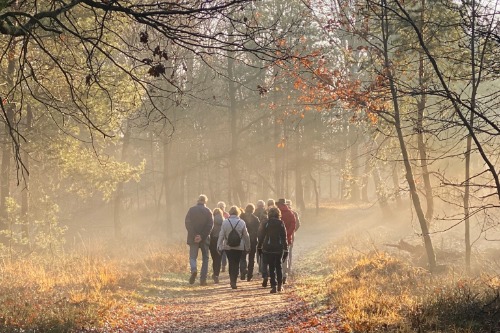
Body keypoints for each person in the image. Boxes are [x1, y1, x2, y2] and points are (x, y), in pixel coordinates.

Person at [217, 206, 251, 289]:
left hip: (228, 247)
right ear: (238, 213)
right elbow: (246, 236)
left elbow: (221, 235)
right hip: (239, 247)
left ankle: (232, 280)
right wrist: (248, 246)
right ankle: (234, 281)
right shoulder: (242, 222)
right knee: (236, 263)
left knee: (231, 263)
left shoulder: (225, 222)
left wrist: (219, 246)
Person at [257, 207, 288, 293]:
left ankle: (273, 285)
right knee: (279, 266)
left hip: (268, 248)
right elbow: (284, 237)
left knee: (271, 267)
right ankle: (280, 285)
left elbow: (261, 236)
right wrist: (286, 249)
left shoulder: (266, 223)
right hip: (279, 247)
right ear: (278, 214)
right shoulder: (281, 223)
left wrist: (259, 246)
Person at [185, 194, 214, 286]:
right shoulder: (208, 211)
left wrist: (195, 235)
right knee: (205, 258)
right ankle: (203, 279)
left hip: (193, 238)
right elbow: (210, 225)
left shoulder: (191, 210)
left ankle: (194, 270)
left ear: (198, 200)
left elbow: (187, 223)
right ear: (205, 201)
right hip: (204, 239)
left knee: (193, 257)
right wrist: (201, 236)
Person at [276, 198, 296, 286]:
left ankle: (277, 275)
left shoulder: (275, 212)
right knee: (285, 257)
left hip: (276, 239)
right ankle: (284, 274)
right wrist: (288, 234)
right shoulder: (290, 213)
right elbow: (293, 225)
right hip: (287, 239)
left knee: (276, 258)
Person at [239, 203, 260, 281]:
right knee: (251, 258)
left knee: (242, 257)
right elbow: (258, 231)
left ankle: (243, 272)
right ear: (253, 210)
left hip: (243, 240)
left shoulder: (241, 217)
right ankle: (250, 275)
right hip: (253, 240)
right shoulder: (256, 218)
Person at [255, 200, 269, 281]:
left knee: (259, 252)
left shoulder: (255, 213)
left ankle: (260, 267)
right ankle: (264, 268)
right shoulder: (266, 213)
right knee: (265, 253)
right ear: (263, 205)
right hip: (266, 235)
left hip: (258, 235)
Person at [285, 199, 300, 275]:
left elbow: (297, 224)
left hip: (285, 235)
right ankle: (288, 268)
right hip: (291, 234)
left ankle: (285, 267)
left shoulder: (280, 212)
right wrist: (293, 231)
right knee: (289, 251)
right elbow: (297, 225)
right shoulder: (294, 213)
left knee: (285, 251)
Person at [209, 208, 224, 283]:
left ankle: (214, 273)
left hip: (212, 241)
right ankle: (216, 275)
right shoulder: (223, 221)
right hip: (220, 241)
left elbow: (209, 231)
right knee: (219, 258)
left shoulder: (211, 221)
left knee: (214, 258)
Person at [217, 201, 229, 272]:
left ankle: (221, 264)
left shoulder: (215, 214)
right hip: (225, 233)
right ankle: (223, 264)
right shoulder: (226, 215)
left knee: (219, 248)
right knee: (224, 249)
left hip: (218, 233)